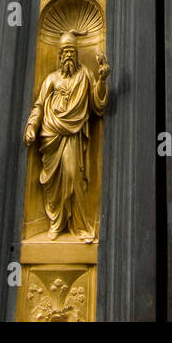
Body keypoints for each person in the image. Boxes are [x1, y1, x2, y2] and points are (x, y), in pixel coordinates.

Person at [24, 34, 111, 239]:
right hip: (50, 135)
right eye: (66, 53)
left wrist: (101, 79)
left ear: (77, 54)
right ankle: (55, 222)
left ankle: (79, 225)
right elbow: (39, 105)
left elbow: (97, 104)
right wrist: (32, 125)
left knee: (72, 176)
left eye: (72, 52)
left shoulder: (86, 75)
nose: (69, 56)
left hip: (72, 134)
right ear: (60, 56)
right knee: (51, 184)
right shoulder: (51, 79)